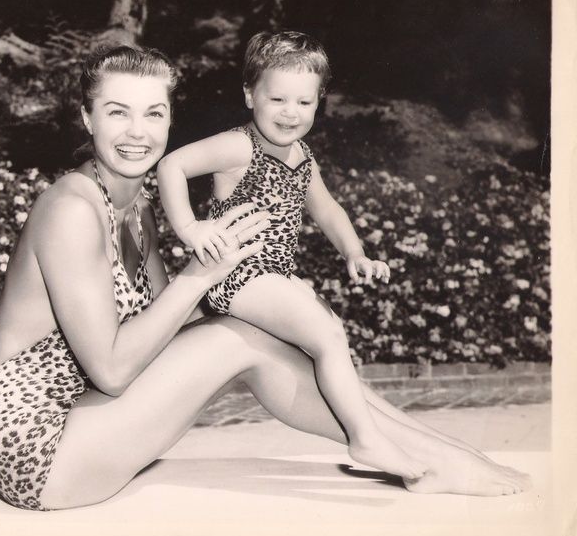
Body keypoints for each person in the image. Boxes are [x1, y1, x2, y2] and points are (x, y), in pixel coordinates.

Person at [0, 44, 529, 512]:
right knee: (238, 339)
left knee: (261, 330)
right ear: (87, 117)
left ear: (170, 120)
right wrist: (203, 274)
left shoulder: (138, 206)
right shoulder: (72, 209)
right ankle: (429, 459)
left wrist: (263, 297)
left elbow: (170, 325)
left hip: (89, 423)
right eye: (117, 112)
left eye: (154, 114)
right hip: (40, 453)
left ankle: (438, 452)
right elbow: (114, 370)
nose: (138, 132)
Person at [158, 31, 426, 478]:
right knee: (327, 335)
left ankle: (372, 432)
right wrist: (190, 228)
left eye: (304, 102)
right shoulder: (239, 145)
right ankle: (365, 439)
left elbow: (328, 209)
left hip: (272, 274)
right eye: (278, 99)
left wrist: (354, 253)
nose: (290, 112)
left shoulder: (302, 155)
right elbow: (171, 165)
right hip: (237, 272)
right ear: (250, 95)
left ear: (319, 102)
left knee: (327, 333)